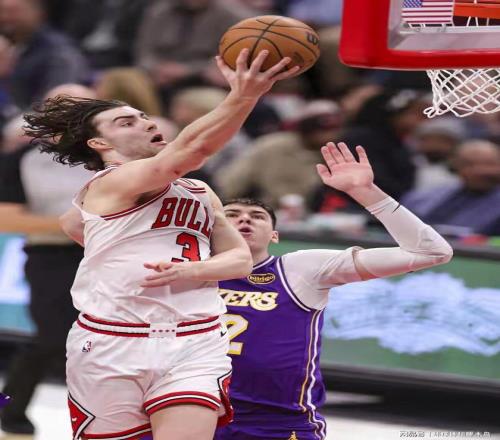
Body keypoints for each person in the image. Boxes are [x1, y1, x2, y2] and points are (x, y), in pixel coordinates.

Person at [24, 50, 299, 440]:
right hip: (111, 342)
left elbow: (240, 260)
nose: (146, 122)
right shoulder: (110, 183)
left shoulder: (199, 190)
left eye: (144, 116)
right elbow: (188, 152)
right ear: (99, 142)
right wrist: (243, 96)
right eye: (126, 122)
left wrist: (193, 270)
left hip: (195, 339)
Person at [127, 140, 456, 440]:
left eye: (258, 217)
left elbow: (432, 252)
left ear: (274, 236)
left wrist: (366, 193)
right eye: (233, 215)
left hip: (274, 422)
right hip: (184, 410)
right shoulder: (179, 270)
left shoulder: (300, 269)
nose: (245, 220)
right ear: (212, 227)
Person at [0, 84, 95, 435]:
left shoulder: (118, 159)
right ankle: (9, 408)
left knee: (106, 342)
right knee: (54, 337)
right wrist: (81, 224)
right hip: (50, 255)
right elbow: (7, 219)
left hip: (112, 257)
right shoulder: (23, 158)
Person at [402, 139, 500, 238]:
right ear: (455, 166)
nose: (479, 170)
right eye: (469, 164)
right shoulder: (422, 198)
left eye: (489, 164)